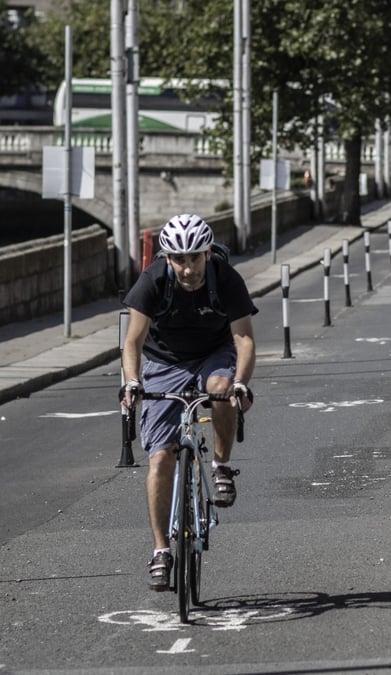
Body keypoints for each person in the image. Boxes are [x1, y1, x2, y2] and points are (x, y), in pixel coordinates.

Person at [120, 214, 257, 592]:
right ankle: (161, 551)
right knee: (160, 458)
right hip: (165, 361)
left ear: (207, 253)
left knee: (221, 388)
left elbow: (244, 339)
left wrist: (241, 385)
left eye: (195, 257)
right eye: (179, 259)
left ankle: (221, 467)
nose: (188, 267)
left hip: (214, 353)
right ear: (167, 258)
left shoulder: (225, 279)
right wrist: (132, 382)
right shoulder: (152, 281)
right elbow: (132, 341)